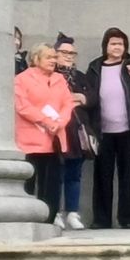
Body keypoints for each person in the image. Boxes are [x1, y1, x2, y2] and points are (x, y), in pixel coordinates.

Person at [86, 27, 130, 229]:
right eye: (113, 43)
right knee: (102, 177)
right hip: (103, 131)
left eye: (121, 44)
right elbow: (90, 96)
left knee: (127, 176)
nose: (117, 47)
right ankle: (101, 219)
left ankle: (127, 219)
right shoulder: (95, 67)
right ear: (106, 46)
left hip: (127, 129)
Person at [14, 43, 75, 224]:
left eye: (54, 57)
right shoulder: (22, 79)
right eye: (48, 57)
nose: (53, 61)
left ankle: (50, 217)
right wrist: (46, 121)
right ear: (36, 59)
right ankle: (27, 218)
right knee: (30, 181)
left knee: (52, 183)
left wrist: (60, 122)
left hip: (55, 137)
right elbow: (22, 106)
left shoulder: (59, 79)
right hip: (31, 139)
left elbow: (67, 103)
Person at [54, 33, 97, 231]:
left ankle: (72, 212)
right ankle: (55, 212)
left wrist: (83, 98)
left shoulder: (80, 76)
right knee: (57, 174)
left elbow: (94, 98)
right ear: (55, 53)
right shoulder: (51, 75)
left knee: (75, 174)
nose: (69, 56)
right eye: (64, 52)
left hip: (78, 131)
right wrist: (71, 98)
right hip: (57, 131)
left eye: (72, 53)